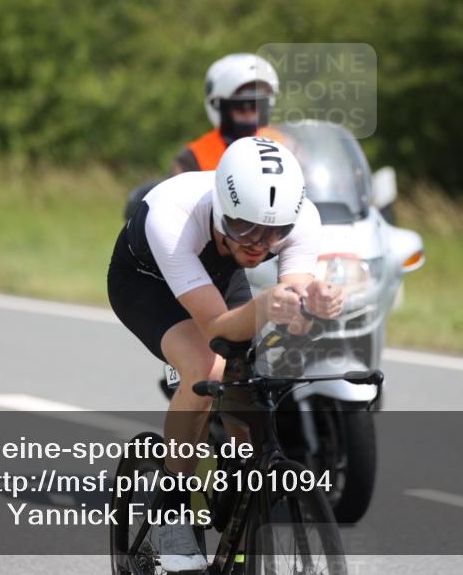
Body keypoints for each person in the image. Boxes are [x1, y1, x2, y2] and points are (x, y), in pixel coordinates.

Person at [108, 136, 343, 572]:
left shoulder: (299, 219)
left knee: (251, 381)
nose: (258, 245)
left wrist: (314, 305)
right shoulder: (172, 218)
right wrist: (270, 305)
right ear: (220, 208)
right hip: (146, 279)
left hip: (218, 270)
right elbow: (216, 329)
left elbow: (293, 310)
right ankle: (172, 508)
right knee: (205, 366)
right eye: (246, 229)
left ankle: (239, 499)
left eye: (273, 234)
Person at [169, 53, 280, 175]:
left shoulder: (283, 146)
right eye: (241, 106)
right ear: (222, 107)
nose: (249, 113)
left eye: (259, 104)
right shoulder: (192, 158)